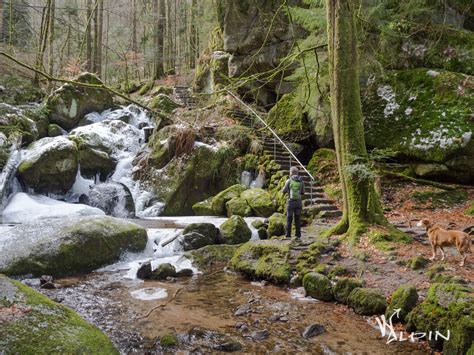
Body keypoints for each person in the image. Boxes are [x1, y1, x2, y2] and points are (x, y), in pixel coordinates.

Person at [282, 166, 304, 239]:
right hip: (298, 202)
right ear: (297, 173)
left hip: (290, 202)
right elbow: (303, 192)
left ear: (291, 172)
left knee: (289, 218)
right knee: (297, 218)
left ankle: (288, 235)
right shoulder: (301, 181)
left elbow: (283, 190)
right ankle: (298, 235)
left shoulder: (289, 180)